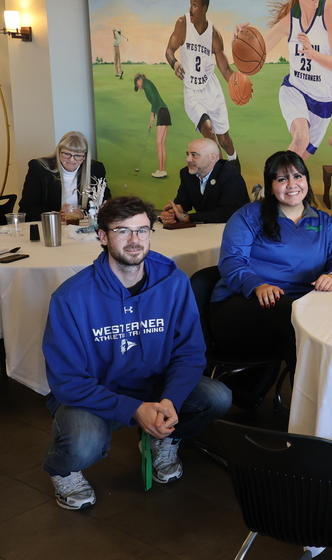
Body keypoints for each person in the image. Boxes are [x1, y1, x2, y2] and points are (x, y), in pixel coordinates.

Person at [41, 196, 232, 510]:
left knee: (218, 397)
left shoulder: (174, 282)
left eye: (143, 230)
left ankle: (162, 438)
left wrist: (169, 400)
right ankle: (62, 470)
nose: (135, 240)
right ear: (102, 236)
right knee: (83, 446)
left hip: (155, 386)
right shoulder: (71, 297)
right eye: (123, 231)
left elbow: (190, 352)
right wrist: (133, 408)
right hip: (96, 395)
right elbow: (68, 381)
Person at [210, 151, 332, 375]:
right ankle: (308, 402)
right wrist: (258, 285)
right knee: (291, 313)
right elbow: (231, 262)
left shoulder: (323, 221)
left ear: (306, 180)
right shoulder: (247, 217)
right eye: (281, 179)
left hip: (301, 309)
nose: (292, 185)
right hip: (242, 307)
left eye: (298, 176)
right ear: (270, 185)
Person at [239, 0, 332, 161]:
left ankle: (268, 187)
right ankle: (270, 189)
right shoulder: (291, 19)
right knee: (301, 138)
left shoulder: (328, 8)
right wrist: (241, 39)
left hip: (323, 104)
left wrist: (313, 54)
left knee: (296, 166)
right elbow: (258, 50)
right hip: (295, 90)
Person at [165, 0, 241, 169]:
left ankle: (234, 168)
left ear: (205, 8)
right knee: (208, 131)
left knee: (225, 140)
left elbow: (224, 68)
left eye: (196, 5)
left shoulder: (214, 35)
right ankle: (223, 176)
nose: (191, 9)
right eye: (190, 4)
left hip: (211, 89)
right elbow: (169, 51)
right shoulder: (183, 24)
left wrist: (238, 84)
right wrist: (175, 63)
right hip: (192, 91)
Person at [20, 131, 112, 222]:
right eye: (67, 154)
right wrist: (57, 215)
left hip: (83, 226)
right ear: (59, 152)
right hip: (50, 226)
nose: (71, 159)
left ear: (85, 157)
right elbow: (27, 208)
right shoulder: (40, 168)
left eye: (78, 156)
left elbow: (106, 205)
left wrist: (83, 214)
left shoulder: (95, 169)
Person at [160, 138, 249, 225]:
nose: (188, 159)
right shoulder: (187, 174)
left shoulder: (230, 175)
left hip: (234, 228)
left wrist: (188, 218)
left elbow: (227, 213)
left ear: (212, 158)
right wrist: (172, 212)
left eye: (194, 155)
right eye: (188, 154)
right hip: (205, 230)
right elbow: (183, 203)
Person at [134, 73, 172, 179]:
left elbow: (154, 99)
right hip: (164, 111)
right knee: (161, 143)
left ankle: (161, 170)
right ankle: (162, 170)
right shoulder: (147, 84)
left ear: (139, 79)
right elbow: (154, 101)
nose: (139, 87)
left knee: (158, 142)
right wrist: (152, 118)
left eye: (137, 85)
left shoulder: (146, 84)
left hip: (161, 111)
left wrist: (152, 116)